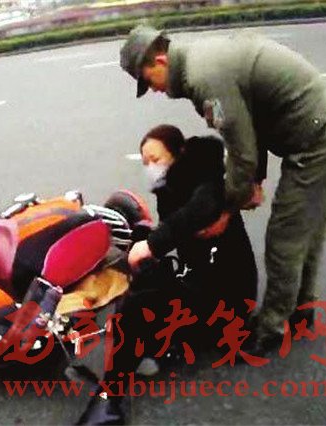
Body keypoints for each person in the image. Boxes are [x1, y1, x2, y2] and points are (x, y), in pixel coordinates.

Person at [119, 26, 326, 357]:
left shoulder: (204, 80)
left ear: (160, 61)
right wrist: (255, 180)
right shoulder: (200, 61)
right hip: (320, 126)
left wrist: (226, 209)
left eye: (147, 80)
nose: (153, 90)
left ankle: (271, 328)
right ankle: (302, 310)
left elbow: (241, 149)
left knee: (285, 238)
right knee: (305, 231)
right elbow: (251, 126)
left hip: (315, 141)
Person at [76, 125, 258, 425]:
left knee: (139, 305)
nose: (151, 167)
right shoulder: (169, 192)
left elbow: (201, 208)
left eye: (156, 159)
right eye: (145, 161)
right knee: (143, 279)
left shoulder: (209, 180)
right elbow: (171, 238)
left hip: (228, 298)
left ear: (178, 154)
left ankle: (110, 398)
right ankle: (145, 345)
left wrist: (153, 244)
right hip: (199, 281)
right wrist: (145, 251)